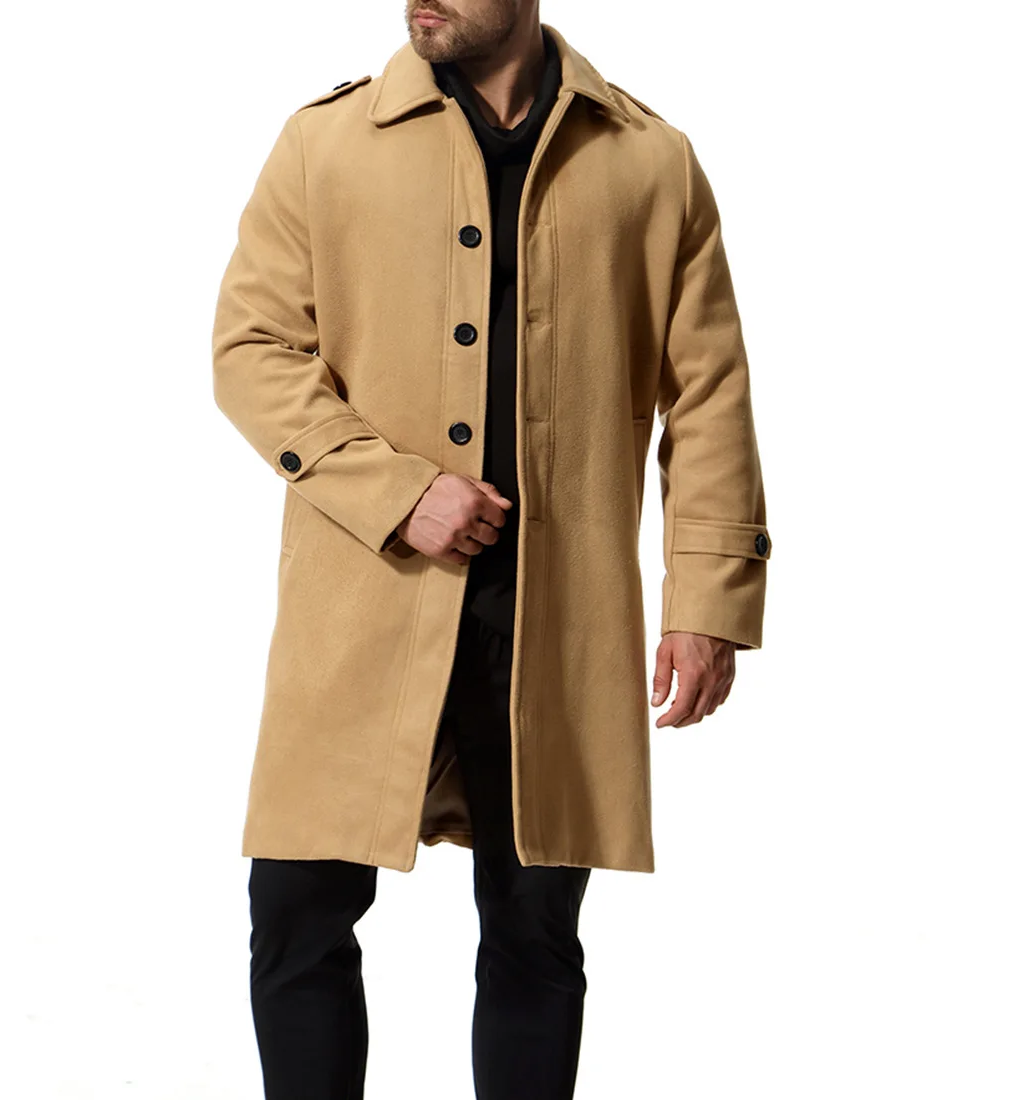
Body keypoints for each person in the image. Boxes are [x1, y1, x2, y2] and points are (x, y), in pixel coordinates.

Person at [211, 3, 771, 1097]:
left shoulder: (649, 162)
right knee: (295, 912)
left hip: (556, 617)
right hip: (363, 602)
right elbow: (251, 348)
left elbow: (708, 397)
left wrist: (707, 599)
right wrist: (397, 491)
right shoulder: (325, 143)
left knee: (533, 933)